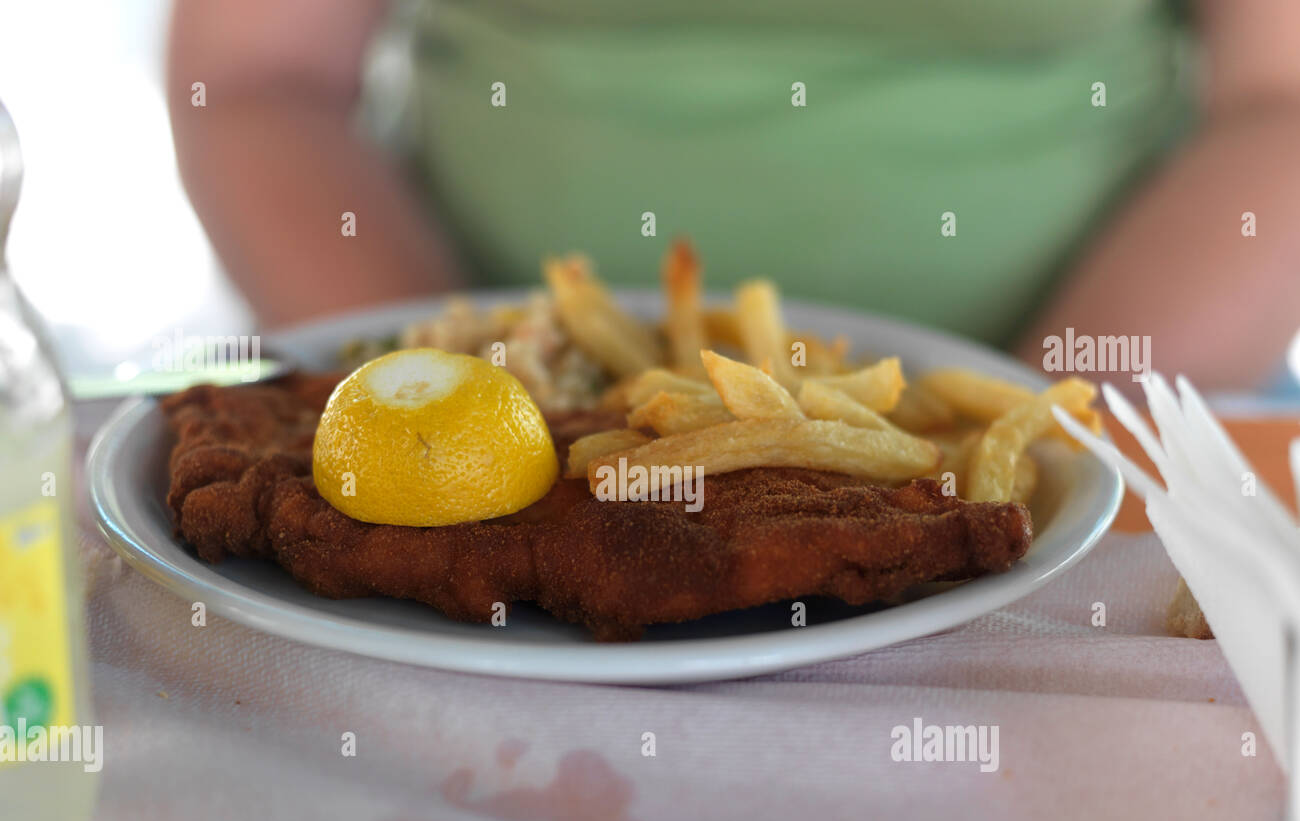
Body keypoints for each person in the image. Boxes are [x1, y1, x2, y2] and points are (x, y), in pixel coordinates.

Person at [167, 0, 1300, 389]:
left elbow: (1280, 97)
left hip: (1103, 405)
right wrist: (456, 394)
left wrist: (1045, 442)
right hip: (500, 394)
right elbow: (262, 74)